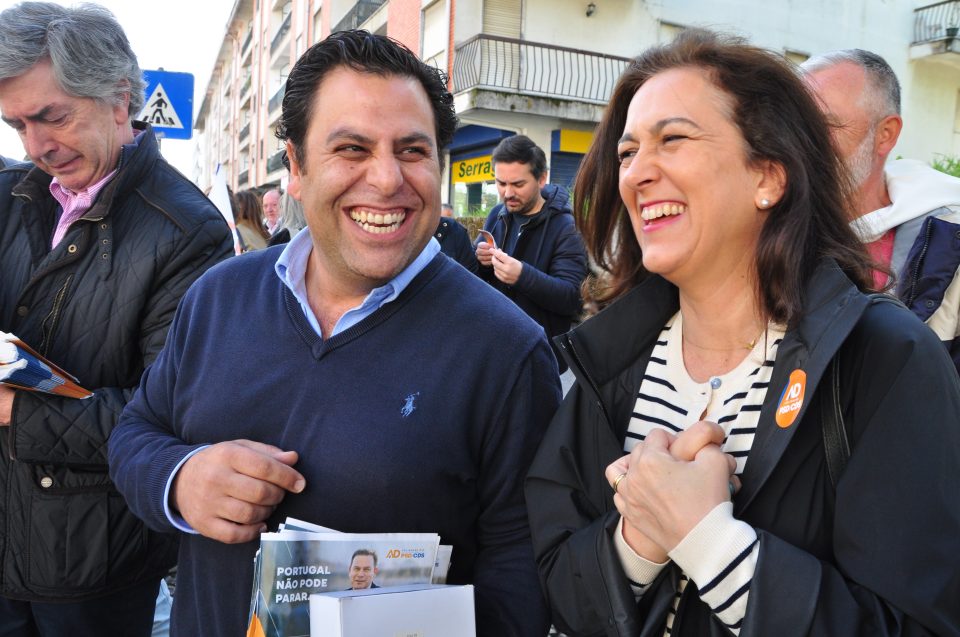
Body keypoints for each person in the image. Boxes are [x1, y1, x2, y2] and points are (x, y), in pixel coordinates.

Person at [108, 29, 558, 637]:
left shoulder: (507, 350)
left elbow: (521, 578)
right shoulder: (218, 296)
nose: (387, 179)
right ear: (295, 167)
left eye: (412, 150)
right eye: (351, 148)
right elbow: (135, 432)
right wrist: (180, 479)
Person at [525, 29, 960, 637]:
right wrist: (638, 538)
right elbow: (558, 589)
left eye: (673, 139)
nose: (637, 173)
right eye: (627, 152)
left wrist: (708, 541)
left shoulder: (886, 358)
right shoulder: (609, 358)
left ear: (769, 178)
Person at [0, 2, 233, 635]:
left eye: (53, 117)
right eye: (17, 124)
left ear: (120, 98)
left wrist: (15, 411)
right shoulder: (10, 196)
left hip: (92, 564)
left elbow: (173, 418)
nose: (37, 146)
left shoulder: (188, 232)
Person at [802, 49, 960, 372]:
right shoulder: (759, 230)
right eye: (793, 124)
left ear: (885, 134)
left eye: (825, 125)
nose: (802, 141)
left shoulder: (946, 243)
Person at [474, 134, 588, 371]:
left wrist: (521, 275)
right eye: (501, 183)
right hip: (493, 348)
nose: (507, 193)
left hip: (538, 359)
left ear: (541, 178)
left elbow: (571, 298)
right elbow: (476, 277)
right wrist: (481, 260)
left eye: (518, 184)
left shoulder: (566, 227)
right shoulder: (497, 214)